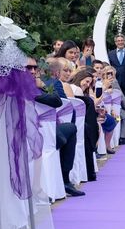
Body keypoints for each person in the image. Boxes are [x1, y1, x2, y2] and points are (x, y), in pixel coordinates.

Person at [26, 56, 84, 197]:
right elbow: (57, 101)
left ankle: (64, 177)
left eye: (35, 68)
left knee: (68, 128)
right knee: (71, 128)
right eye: (29, 68)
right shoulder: (31, 89)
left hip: (41, 133)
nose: (33, 72)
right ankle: (64, 178)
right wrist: (42, 86)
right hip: (38, 137)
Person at [102, 65, 125, 145]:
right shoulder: (113, 81)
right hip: (111, 108)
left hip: (110, 107)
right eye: (109, 73)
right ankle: (122, 137)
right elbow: (120, 96)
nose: (111, 75)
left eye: (111, 73)